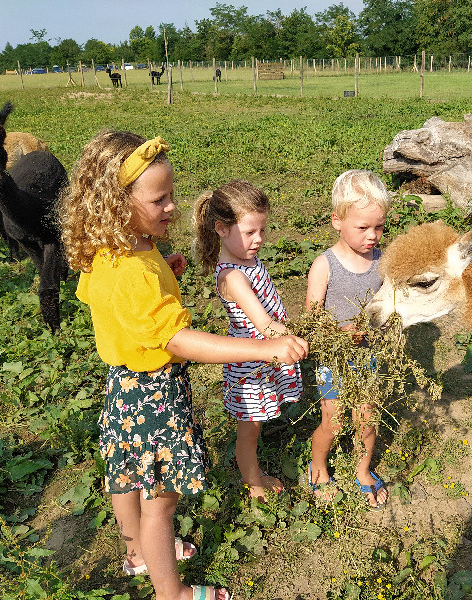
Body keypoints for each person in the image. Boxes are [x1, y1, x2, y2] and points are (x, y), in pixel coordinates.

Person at [59, 131, 308, 600]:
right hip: (154, 395)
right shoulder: (132, 269)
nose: (172, 206)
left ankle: (136, 553)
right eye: (160, 199)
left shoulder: (117, 249)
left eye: (171, 194)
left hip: (123, 387)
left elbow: (112, 303)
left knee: (129, 478)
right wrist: (263, 349)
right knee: (161, 501)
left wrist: (164, 271)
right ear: (117, 202)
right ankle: (170, 593)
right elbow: (176, 340)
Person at [192, 180, 303, 502]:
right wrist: (299, 337)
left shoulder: (248, 262)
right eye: (250, 232)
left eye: (262, 231)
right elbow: (264, 325)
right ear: (221, 229)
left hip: (265, 358)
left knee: (256, 424)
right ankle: (253, 483)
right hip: (251, 365)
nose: (258, 240)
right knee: (248, 431)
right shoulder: (233, 276)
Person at [303, 169, 392, 510]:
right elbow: (312, 319)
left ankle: (363, 470)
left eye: (379, 227)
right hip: (335, 360)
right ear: (337, 221)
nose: (373, 236)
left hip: (369, 357)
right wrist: (341, 333)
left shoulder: (382, 261)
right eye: (363, 227)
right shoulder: (325, 265)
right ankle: (319, 466)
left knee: (367, 416)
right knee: (335, 419)